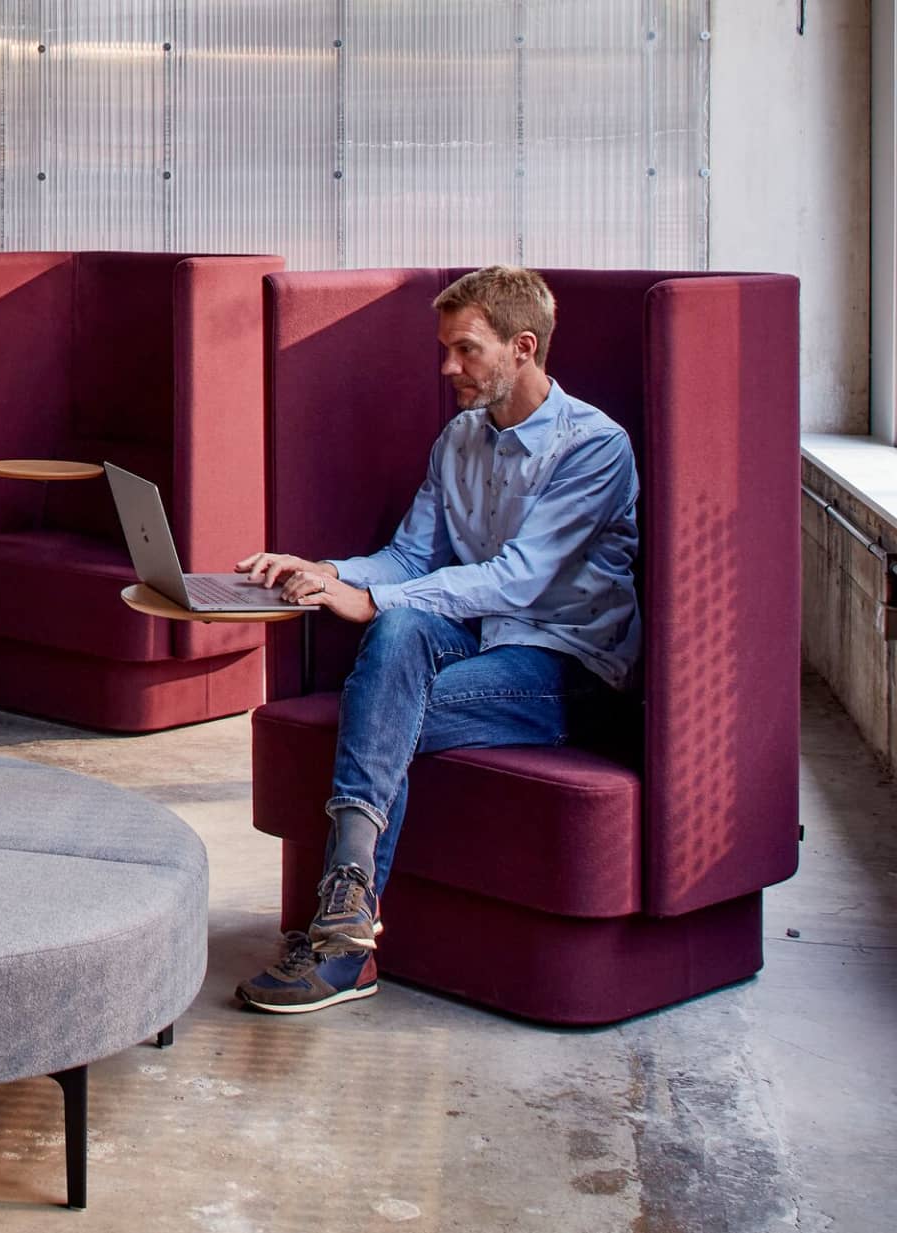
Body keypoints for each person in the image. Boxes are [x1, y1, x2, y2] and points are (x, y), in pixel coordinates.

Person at [234, 265, 641, 1015]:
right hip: (479, 642)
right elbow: (411, 560)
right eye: (445, 349)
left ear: (524, 347)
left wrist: (374, 599)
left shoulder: (594, 447)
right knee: (399, 630)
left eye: (466, 350)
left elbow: (519, 579)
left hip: (566, 664)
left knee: (383, 682)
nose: (447, 367)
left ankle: (339, 943)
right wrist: (322, 571)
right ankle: (347, 924)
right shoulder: (459, 438)